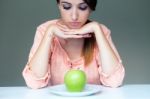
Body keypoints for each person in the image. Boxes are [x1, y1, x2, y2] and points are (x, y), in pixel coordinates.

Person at [22, 0, 125, 89]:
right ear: (59, 5)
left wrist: (96, 29)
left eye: (83, 7)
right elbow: (34, 83)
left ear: (91, 8)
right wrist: (50, 32)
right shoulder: (44, 30)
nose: (74, 16)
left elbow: (114, 81)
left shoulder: (101, 31)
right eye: (66, 7)